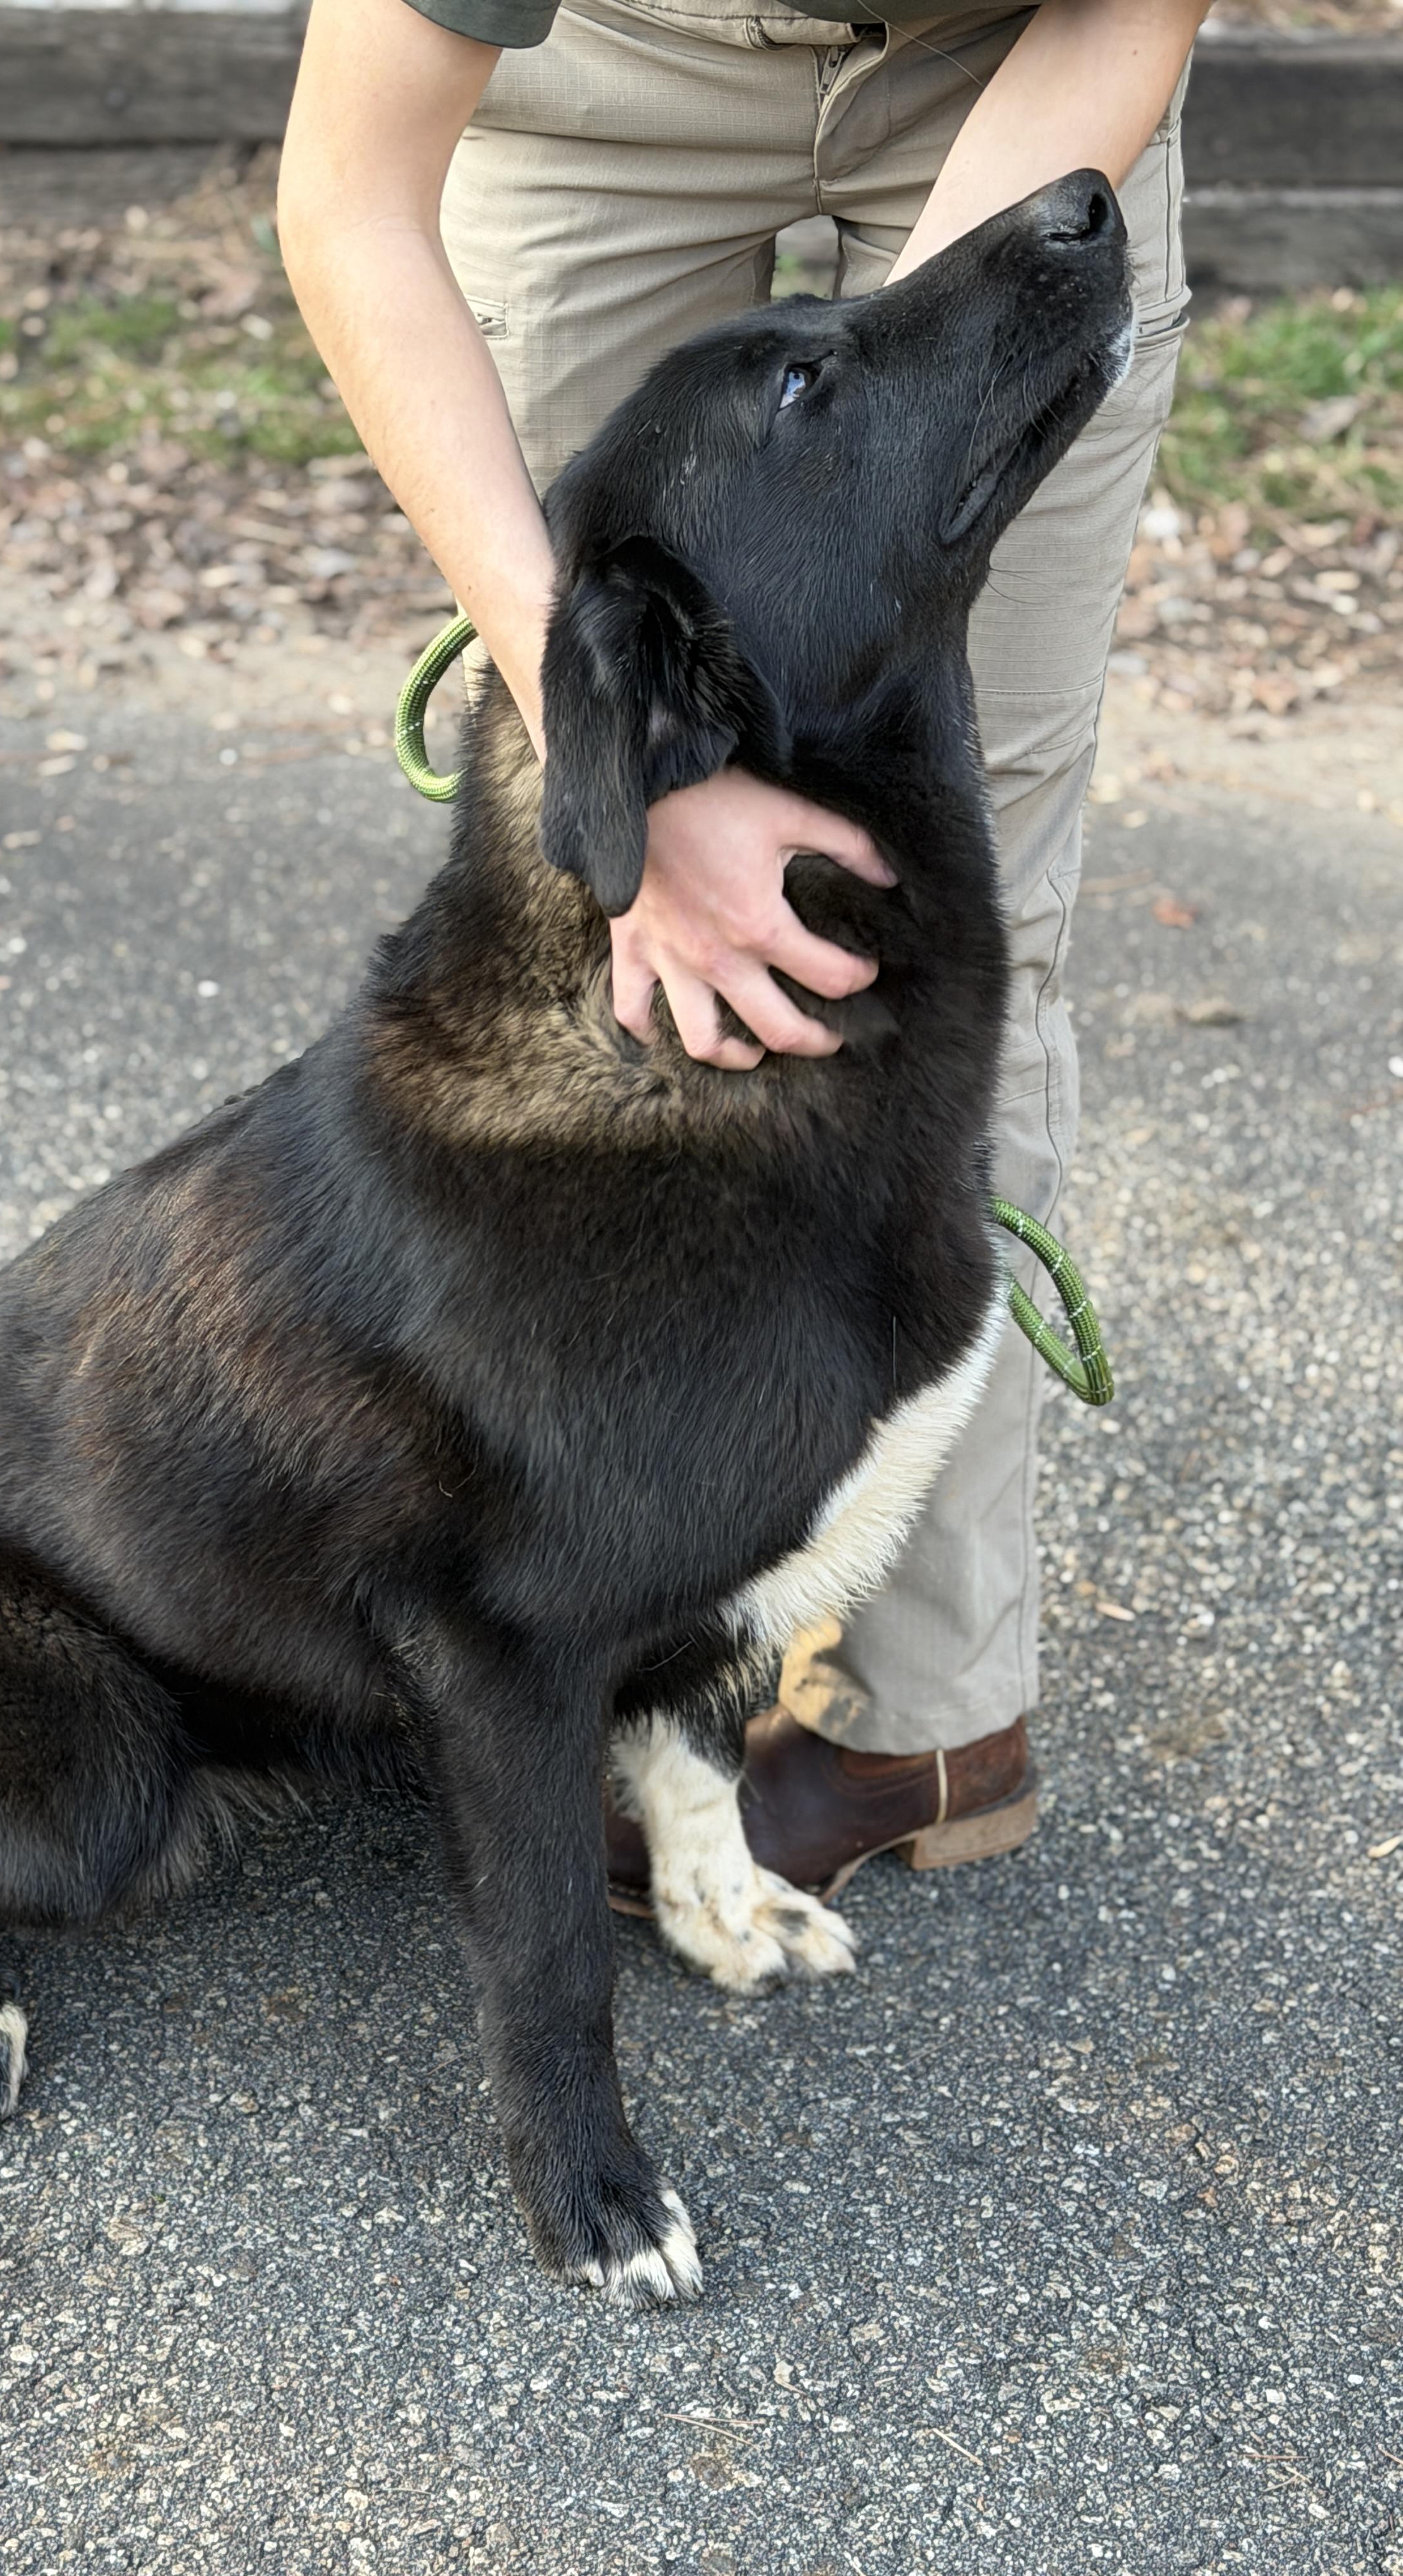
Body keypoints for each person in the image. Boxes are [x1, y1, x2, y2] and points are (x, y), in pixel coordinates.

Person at [277, 0, 1209, 1896]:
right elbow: (350, 195)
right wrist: (607, 744)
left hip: (1003, 59)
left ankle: (919, 1721)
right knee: (601, 908)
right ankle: (593, 1626)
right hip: (597, 73)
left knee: (948, 914)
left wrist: (948, 380)